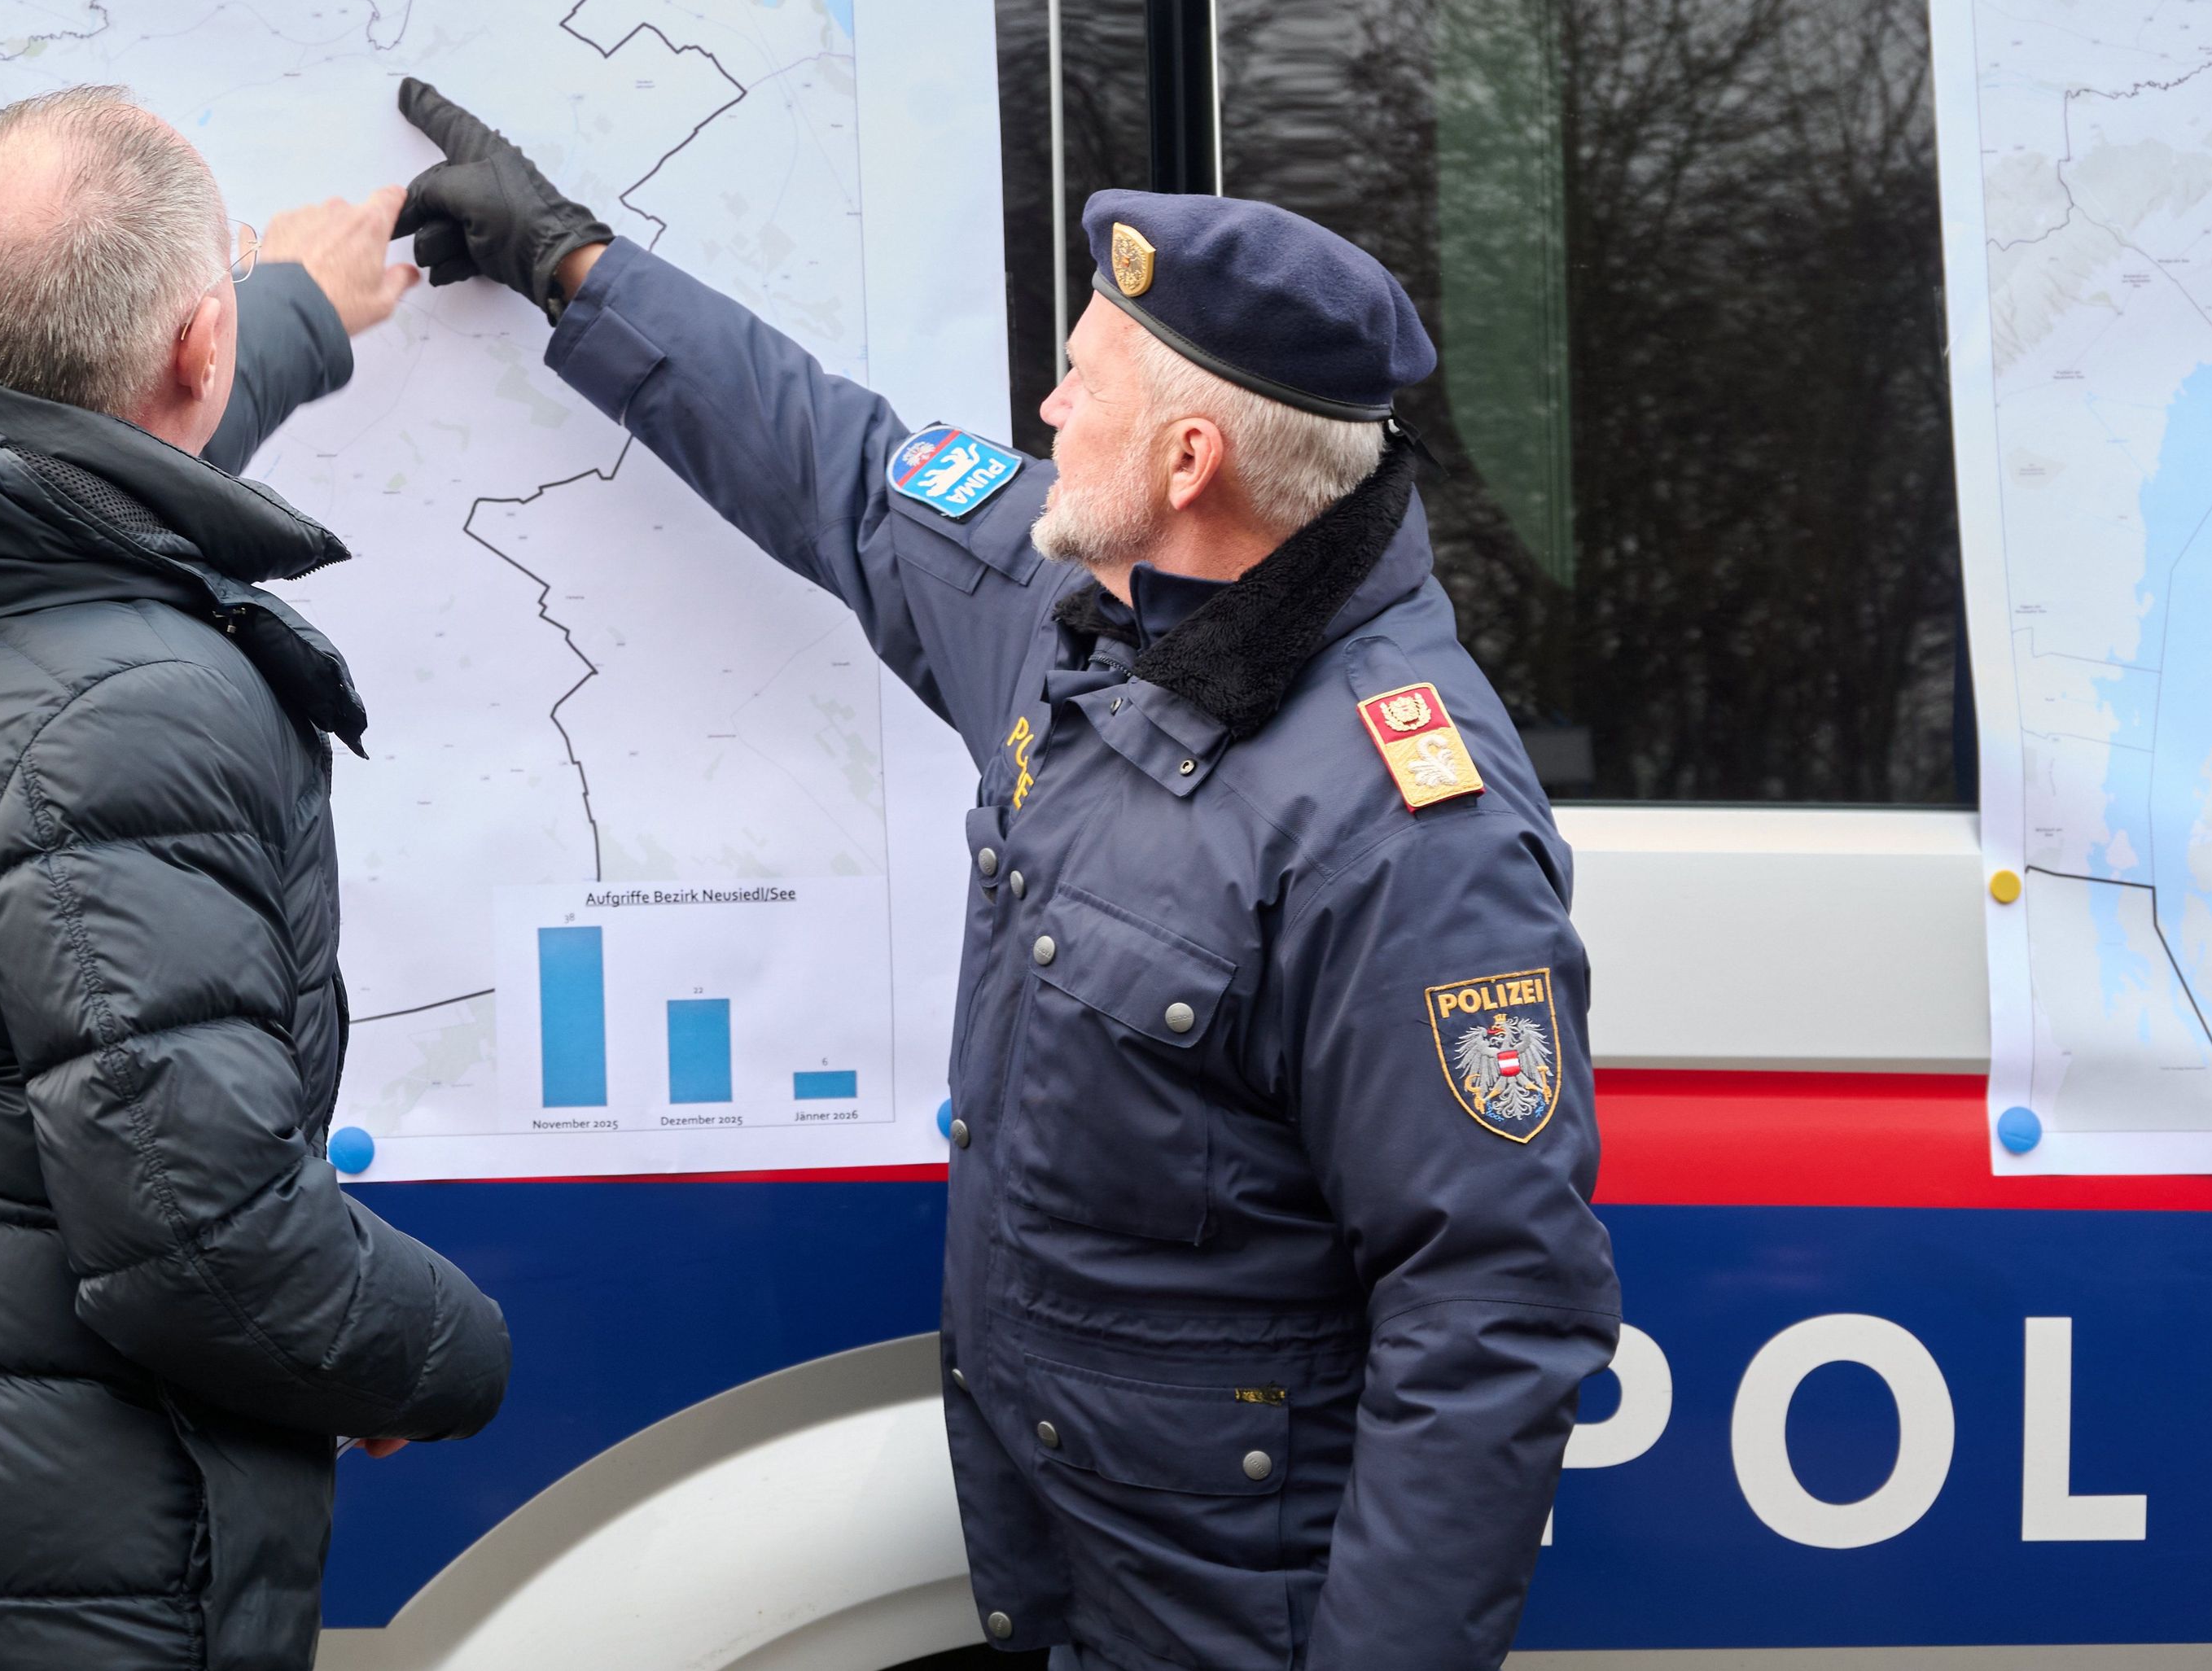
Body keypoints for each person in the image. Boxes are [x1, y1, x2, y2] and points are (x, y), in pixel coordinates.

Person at [391, 80, 1618, 1671]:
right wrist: (570, 263)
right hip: (1065, 1544)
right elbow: (843, 466)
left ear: (1186, 459)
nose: (1042, 417)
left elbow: (1491, 1307)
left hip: (1234, 1604)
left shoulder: (1402, 820)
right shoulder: (1092, 619)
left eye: (1075, 386)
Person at [0, 85, 508, 1671]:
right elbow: (209, 1249)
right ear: (192, 351)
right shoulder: (133, 712)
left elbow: (69, 471)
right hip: (30, 1595)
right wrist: (432, 1357)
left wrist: (288, 312)